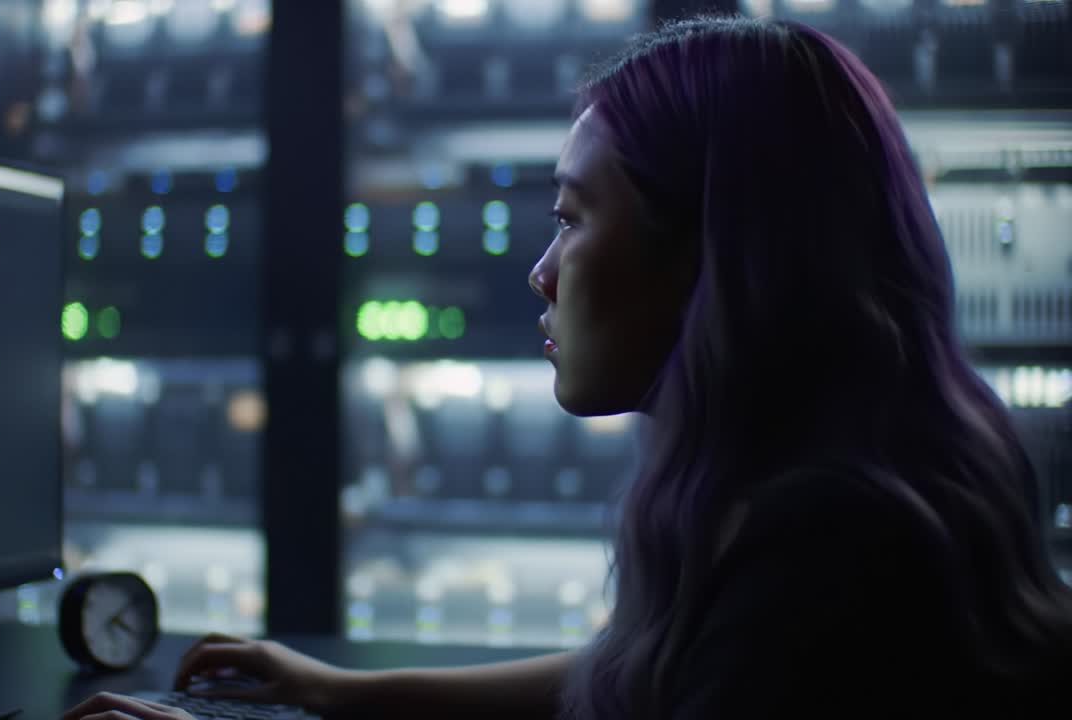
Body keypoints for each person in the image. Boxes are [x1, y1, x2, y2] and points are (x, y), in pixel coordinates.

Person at [64, 14, 1072, 720]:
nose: (541, 274)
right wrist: (342, 692)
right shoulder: (848, 480)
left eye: (571, 218)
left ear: (716, 254)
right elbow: (648, 668)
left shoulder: (826, 548)